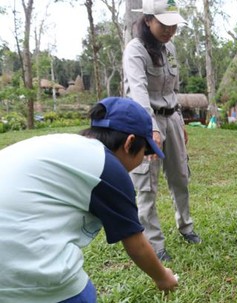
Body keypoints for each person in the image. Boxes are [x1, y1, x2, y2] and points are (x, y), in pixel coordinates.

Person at [0, 97, 178, 302]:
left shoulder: (65, 145)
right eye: (145, 152)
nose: (143, 160)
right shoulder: (108, 167)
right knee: (80, 294)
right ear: (130, 142)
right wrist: (163, 277)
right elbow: (136, 244)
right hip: (17, 266)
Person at [123, 0, 201, 262]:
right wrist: (150, 129)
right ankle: (155, 244)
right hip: (144, 121)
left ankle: (186, 227)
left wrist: (179, 120)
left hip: (172, 118)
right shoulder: (135, 50)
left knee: (180, 175)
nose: (170, 30)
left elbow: (172, 90)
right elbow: (139, 93)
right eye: (164, 25)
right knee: (147, 185)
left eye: (174, 25)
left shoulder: (170, 48)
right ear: (147, 20)